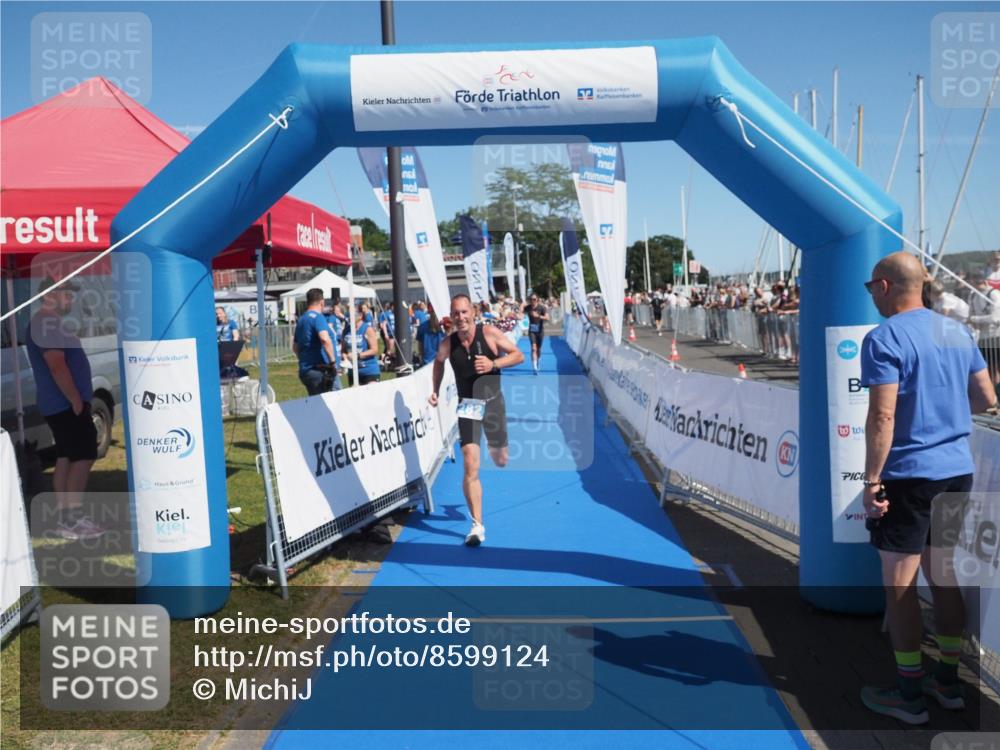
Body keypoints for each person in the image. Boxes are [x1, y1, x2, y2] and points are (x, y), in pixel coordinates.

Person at [858, 251, 997, 724]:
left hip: (910, 474)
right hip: (956, 469)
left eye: (869, 288)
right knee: (944, 574)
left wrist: (871, 480)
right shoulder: (957, 331)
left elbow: (882, 416)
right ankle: (948, 682)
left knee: (899, 585)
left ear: (882, 287)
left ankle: (909, 694)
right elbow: (986, 397)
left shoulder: (883, 337)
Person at [428, 294, 524, 546]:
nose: (460, 317)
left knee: (500, 459)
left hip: (493, 404)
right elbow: (438, 364)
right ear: (451, 316)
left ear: (473, 312)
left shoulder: (489, 333)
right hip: (468, 406)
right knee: (471, 466)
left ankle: (498, 445)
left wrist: (494, 364)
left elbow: (518, 355)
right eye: (456, 313)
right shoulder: (448, 344)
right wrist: (435, 390)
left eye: (464, 312)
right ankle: (477, 525)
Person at [25, 278, 103, 540]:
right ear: (51, 295)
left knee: (66, 457)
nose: (71, 300)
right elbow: (57, 365)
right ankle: (71, 519)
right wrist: (76, 400)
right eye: (67, 295)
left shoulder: (49, 323)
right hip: (64, 404)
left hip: (62, 403)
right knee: (82, 456)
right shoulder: (44, 323)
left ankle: (67, 518)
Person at [293, 288, 340, 395]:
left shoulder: (301, 319)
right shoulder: (318, 318)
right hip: (321, 370)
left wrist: (305, 359)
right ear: (322, 302)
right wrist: (332, 362)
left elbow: (295, 347)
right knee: (336, 402)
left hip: (306, 370)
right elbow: (324, 339)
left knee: (316, 404)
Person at [344, 302, 381, 386]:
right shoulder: (346, 330)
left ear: (360, 315)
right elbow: (343, 350)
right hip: (353, 371)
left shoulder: (367, 329)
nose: (349, 316)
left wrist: (357, 355)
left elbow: (374, 350)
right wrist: (345, 356)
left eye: (352, 314)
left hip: (369, 371)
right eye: (348, 314)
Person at [522, 294, 549, 375]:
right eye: (531, 299)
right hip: (531, 331)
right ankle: (534, 368)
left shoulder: (542, 308)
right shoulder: (528, 307)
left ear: (537, 300)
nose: (532, 301)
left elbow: (547, 318)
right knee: (534, 348)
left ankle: (538, 361)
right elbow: (521, 314)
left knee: (539, 349)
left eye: (534, 299)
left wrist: (539, 316)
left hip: (540, 330)